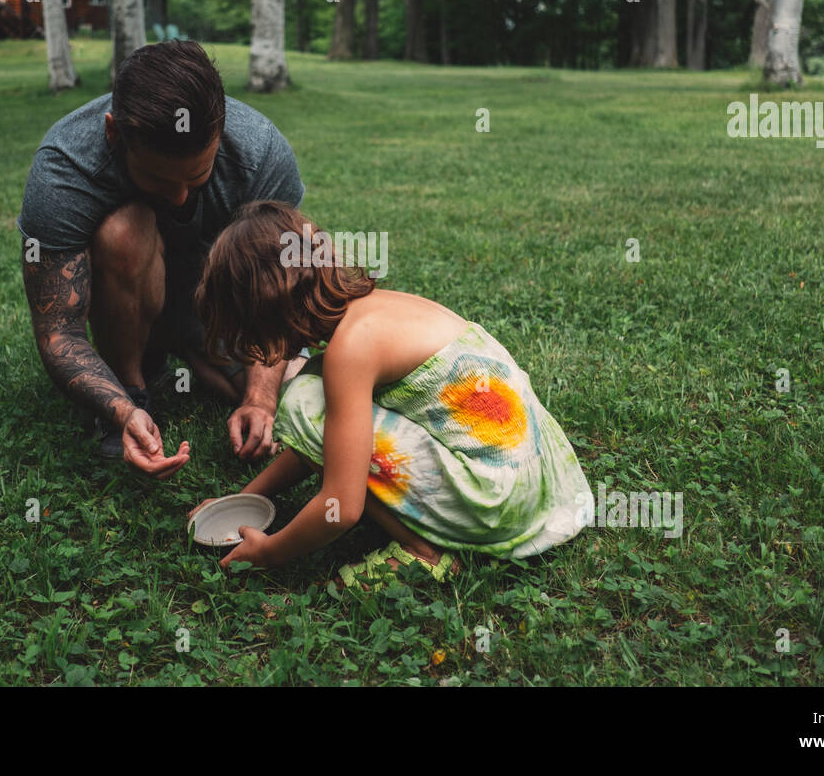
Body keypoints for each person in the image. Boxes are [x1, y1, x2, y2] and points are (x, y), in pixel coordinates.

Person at [189, 201, 592, 586]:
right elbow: (334, 440)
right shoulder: (378, 309)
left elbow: (342, 509)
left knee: (300, 399)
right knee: (316, 398)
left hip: (493, 503)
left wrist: (271, 552)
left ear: (269, 309)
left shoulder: (351, 350)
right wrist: (242, 499)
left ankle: (422, 553)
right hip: (534, 488)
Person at [17, 42, 306, 479]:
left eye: (197, 176)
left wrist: (259, 400)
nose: (178, 198)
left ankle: (192, 345)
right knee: (125, 229)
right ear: (114, 133)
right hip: (125, 296)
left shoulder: (261, 150)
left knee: (296, 392)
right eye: (156, 177)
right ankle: (134, 383)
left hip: (211, 305)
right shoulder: (65, 169)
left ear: (222, 130)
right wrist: (121, 409)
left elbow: (279, 294)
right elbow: (59, 331)